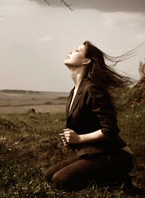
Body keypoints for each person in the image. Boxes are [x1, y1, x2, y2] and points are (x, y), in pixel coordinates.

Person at [44, 41, 134, 191]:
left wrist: (79, 138)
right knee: (49, 176)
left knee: (60, 180)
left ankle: (118, 183)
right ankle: (109, 179)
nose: (71, 51)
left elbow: (110, 130)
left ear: (86, 61)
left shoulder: (92, 88)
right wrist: (71, 139)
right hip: (96, 154)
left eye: (77, 50)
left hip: (117, 156)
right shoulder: (74, 92)